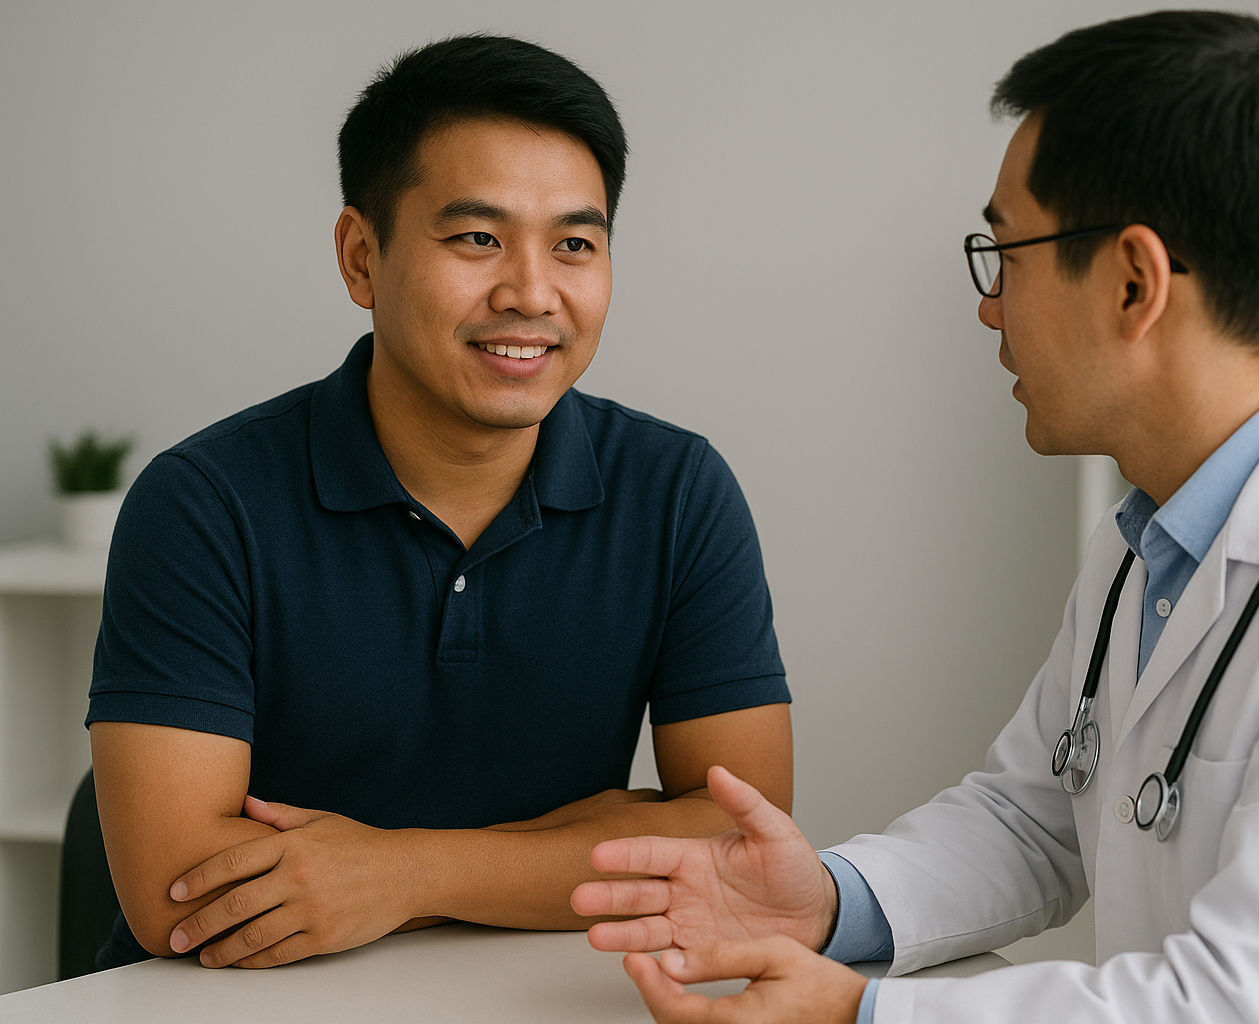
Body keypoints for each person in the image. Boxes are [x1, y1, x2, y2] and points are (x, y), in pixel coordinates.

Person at [570, 11, 1259, 1023]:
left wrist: (861, 1013)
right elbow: (1033, 817)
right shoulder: (1159, 531)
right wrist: (831, 899)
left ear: (1133, 282)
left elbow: (1246, 1006)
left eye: (1007, 251)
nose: (989, 305)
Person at [85, 34, 793, 972]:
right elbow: (177, 888)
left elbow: (746, 845)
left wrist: (401, 875)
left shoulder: (678, 491)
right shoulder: (204, 504)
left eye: (575, 244)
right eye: (477, 239)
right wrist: (593, 838)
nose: (532, 292)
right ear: (361, 258)